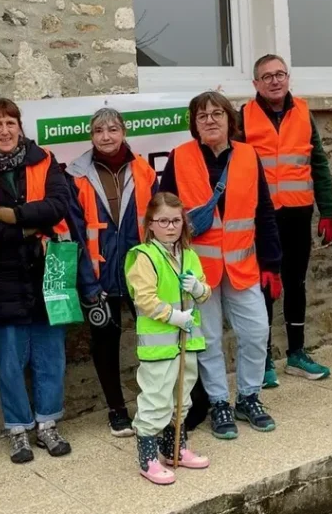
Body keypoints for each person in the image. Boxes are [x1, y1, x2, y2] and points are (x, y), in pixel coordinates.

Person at [159, 91, 283, 440]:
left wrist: (272, 263)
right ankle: (218, 402)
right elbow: (164, 213)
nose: (210, 120)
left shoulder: (248, 156)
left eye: (217, 114)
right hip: (197, 271)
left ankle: (248, 396)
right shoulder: (180, 157)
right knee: (208, 339)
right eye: (202, 116)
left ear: (230, 120)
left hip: (244, 267)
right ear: (194, 124)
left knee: (257, 333)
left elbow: (264, 212)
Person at [0, 98, 75, 463]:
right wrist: (28, 228)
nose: (5, 130)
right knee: (9, 361)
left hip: (47, 275)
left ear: (20, 127)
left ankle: (48, 424)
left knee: (50, 356)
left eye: (11, 122)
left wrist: (16, 215)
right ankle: (18, 430)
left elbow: (59, 204)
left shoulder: (44, 160)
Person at [239, 54, 332, 388]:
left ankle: (296, 354)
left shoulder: (303, 113)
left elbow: (320, 164)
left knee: (295, 282)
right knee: (264, 286)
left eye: (280, 74)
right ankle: (263, 359)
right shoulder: (243, 118)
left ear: (288, 78)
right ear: (256, 84)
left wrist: (328, 212)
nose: (274, 81)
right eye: (266, 76)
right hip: (260, 217)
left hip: (298, 213)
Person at [65, 107, 159, 437]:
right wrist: (87, 281)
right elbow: (75, 231)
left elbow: (158, 221)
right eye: (99, 131)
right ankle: (117, 410)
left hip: (141, 272)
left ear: (123, 132)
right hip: (97, 276)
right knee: (105, 343)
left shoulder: (144, 170)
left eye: (112, 130)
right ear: (91, 136)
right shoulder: (76, 175)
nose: (106, 137)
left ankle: (155, 402)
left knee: (154, 339)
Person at [124, 192, 212, 485]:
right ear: (150, 224)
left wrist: (198, 288)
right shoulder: (144, 256)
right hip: (160, 344)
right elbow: (144, 299)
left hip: (187, 342)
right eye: (163, 221)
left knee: (181, 397)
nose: (171, 227)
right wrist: (174, 316)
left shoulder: (189, 255)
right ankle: (148, 460)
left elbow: (205, 293)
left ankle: (175, 448)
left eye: (176, 220)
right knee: (157, 400)